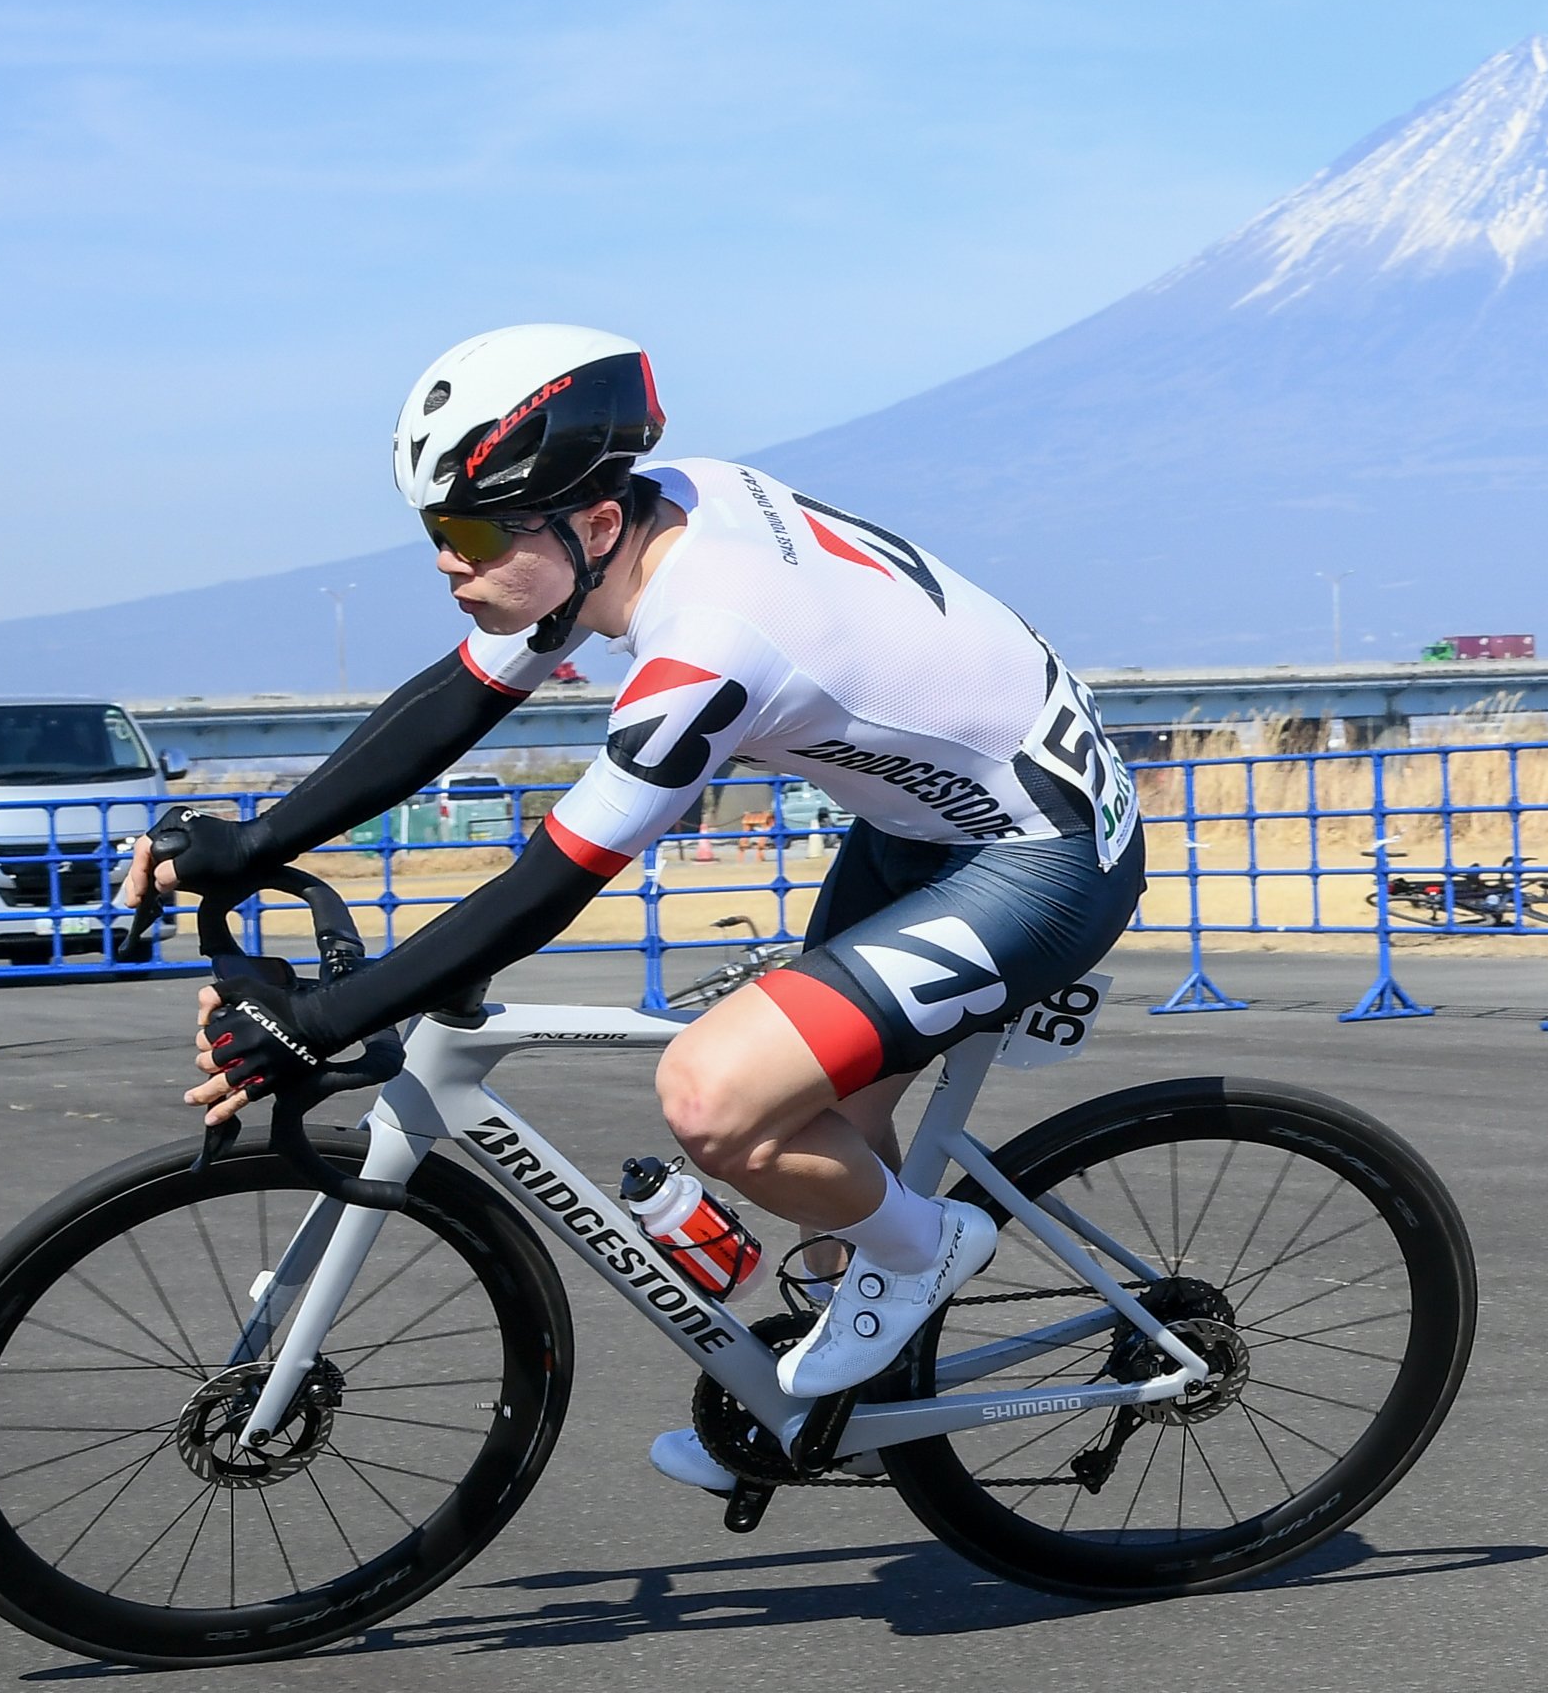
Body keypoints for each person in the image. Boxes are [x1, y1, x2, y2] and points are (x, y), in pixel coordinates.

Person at [121, 324, 1146, 1492]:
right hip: (926, 830)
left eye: (467, 534)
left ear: (592, 525)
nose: (448, 564)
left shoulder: (710, 644)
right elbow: (460, 695)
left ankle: (925, 1254)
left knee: (719, 1101)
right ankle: (821, 1416)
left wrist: (323, 1017)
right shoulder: (649, 509)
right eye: (435, 532)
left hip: (1040, 861)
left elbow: (545, 886)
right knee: (831, 1122)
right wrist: (253, 841)